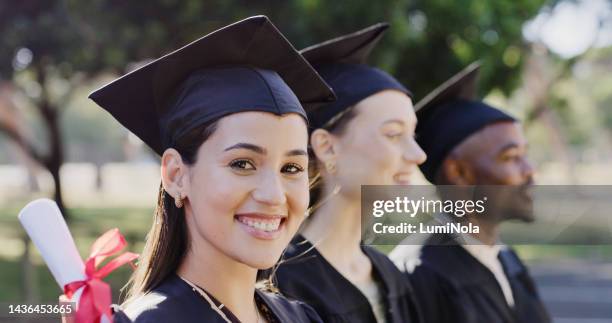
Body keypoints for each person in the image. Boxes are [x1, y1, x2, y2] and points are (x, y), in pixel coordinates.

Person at [77, 16, 336, 323]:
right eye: (242, 163)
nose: (273, 194)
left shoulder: (301, 317)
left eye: (292, 167)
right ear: (176, 175)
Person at [268, 23, 425, 323]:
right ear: (327, 148)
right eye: (393, 134)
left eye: (413, 135)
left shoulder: (388, 274)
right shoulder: (282, 284)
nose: (418, 155)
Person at [389, 62, 551, 323]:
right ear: (459, 173)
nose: (531, 170)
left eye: (526, 155)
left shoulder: (507, 259)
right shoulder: (420, 274)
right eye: (511, 157)